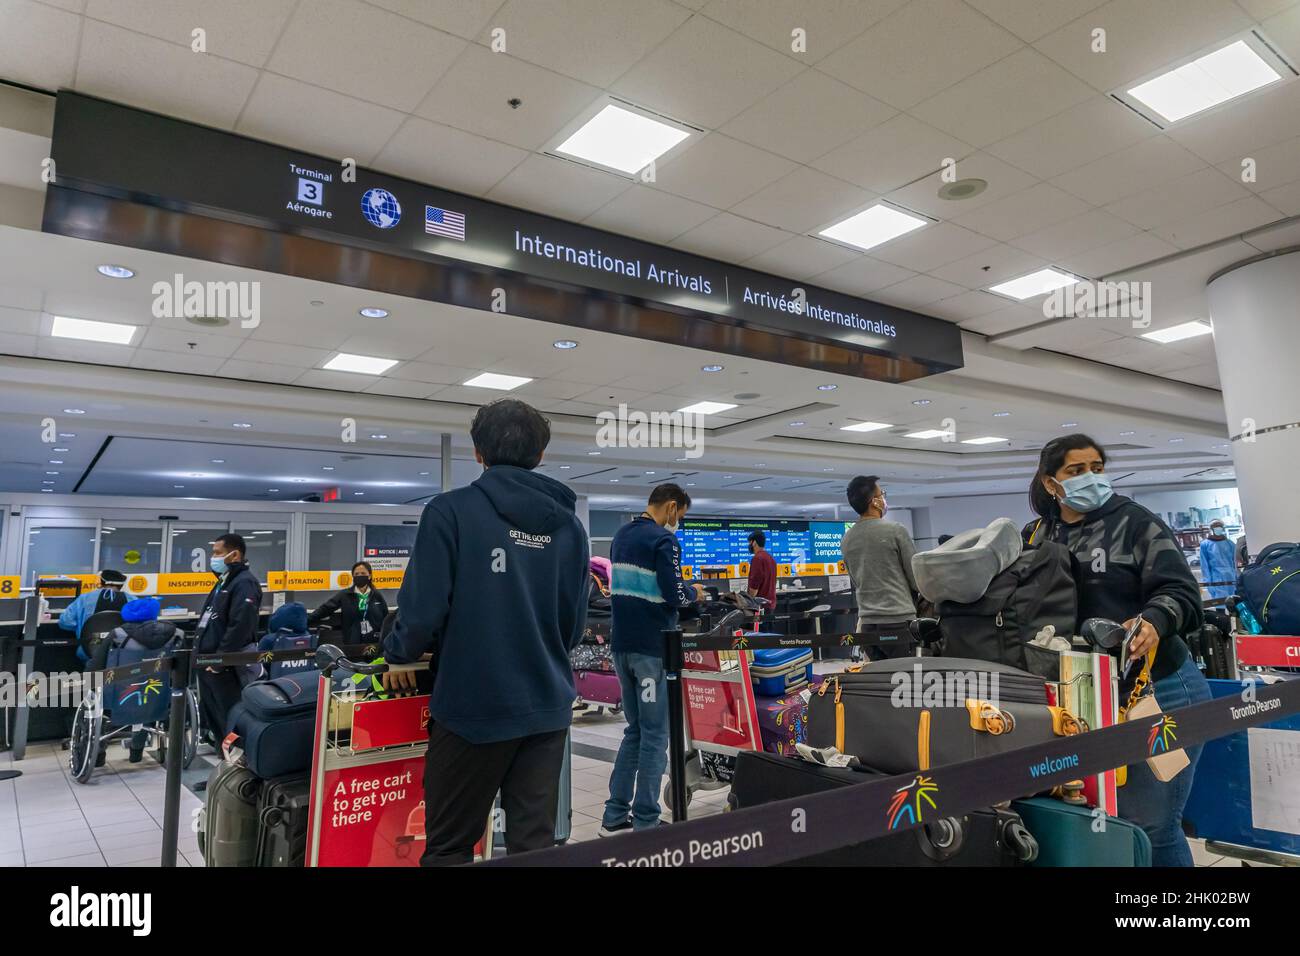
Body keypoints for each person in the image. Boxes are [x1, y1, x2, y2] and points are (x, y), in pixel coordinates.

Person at [382, 399, 589, 865]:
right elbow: (574, 629)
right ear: (540, 455)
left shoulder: (449, 512)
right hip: (548, 709)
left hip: (472, 710)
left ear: (477, 453)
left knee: (451, 846)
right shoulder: (571, 529)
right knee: (534, 846)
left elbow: (422, 610)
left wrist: (399, 653)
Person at [1024, 434, 1210, 867]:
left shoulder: (1134, 522)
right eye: (1076, 470)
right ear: (1052, 484)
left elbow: (1182, 592)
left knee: (1153, 823)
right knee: (1107, 816)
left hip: (1158, 689)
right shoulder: (1037, 533)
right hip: (1085, 697)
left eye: (1096, 467)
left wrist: (1153, 620)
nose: (1090, 477)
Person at [600, 483, 705, 835]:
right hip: (651, 650)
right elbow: (674, 592)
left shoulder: (621, 535)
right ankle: (646, 821)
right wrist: (697, 593)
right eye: (681, 516)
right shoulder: (663, 540)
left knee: (635, 730)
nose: (678, 523)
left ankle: (614, 815)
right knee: (657, 733)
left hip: (622, 647)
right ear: (671, 507)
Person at [840, 475, 919, 660]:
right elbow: (916, 578)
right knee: (905, 682)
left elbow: (856, 580)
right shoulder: (895, 531)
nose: (884, 498)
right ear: (874, 502)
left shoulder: (847, 539)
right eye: (881, 493)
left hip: (867, 624)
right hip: (898, 620)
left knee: (881, 683)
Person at [195, 533, 263, 740]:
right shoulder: (223, 582)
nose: (213, 558)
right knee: (215, 714)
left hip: (225, 665)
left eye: (217, 553)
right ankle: (222, 754)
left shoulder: (244, 583)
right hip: (207, 660)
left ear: (235, 555)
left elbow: (239, 625)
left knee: (230, 713)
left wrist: (219, 660)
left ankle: (235, 758)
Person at [308, 560, 389, 643]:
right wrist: (307, 619)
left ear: (369, 576)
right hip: (352, 643)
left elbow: (386, 618)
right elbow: (326, 608)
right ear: (353, 577)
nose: (359, 576)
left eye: (363, 573)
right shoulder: (345, 595)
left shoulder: (377, 595)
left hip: (374, 643)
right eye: (356, 574)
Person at [58, 568, 129, 661]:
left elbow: (65, 622)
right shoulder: (133, 600)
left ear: (101, 581)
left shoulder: (84, 598)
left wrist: (82, 626)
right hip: (123, 653)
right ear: (122, 585)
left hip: (89, 653)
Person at [1198, 521, 1237, 603]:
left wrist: (1237, 577)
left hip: (1231, 576)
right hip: (1216, 577)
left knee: (1233, 603)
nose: (1218, 528)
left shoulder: (1230, 544)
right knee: (1219, 603)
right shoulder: (1205, 544)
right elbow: (1204, 565)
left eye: (1220, 526)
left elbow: (1235, 562)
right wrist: (1208, 582)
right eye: (1216, 526)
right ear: (1212, 529)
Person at [746, 530, 777, 607]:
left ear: (754, 542)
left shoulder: (757, 559)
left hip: (760, 606)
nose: (749, 545)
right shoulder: (771, 558)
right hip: (770, 604)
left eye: (749, 542)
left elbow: (754, 586)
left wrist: (748, 601)